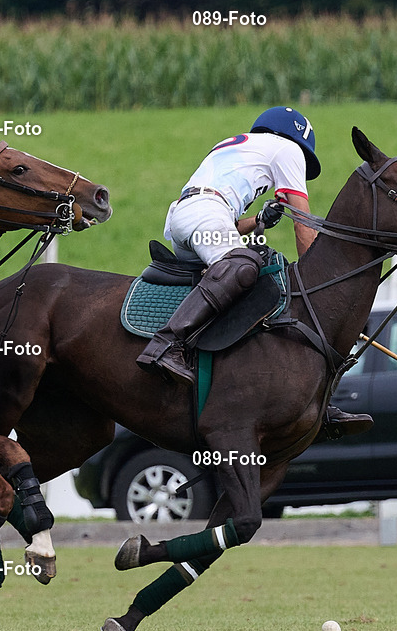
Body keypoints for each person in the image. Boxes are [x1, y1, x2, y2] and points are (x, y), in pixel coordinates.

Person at [136, 106, 371, 438]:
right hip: (204, 215)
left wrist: (259, 223)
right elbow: (302, 221)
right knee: (246, 269)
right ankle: (168, 344)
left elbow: (224, 220)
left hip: (187, 220)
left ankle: (288, 392)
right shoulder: (288, 149)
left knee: (254, 280)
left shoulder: (237, 148)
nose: (301, 165)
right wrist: (318, 283)